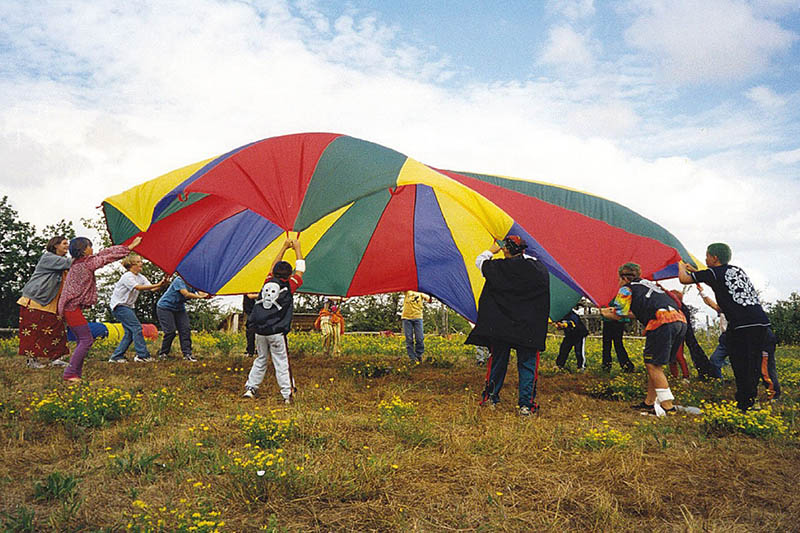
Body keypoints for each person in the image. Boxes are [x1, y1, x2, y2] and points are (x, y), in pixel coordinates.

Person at [679, 243, 770, 411]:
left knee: (740, 362)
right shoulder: (736, 270)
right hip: (760, 322)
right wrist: (696, 271)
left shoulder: (713, 272)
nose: (705, 259)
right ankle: (752, 399)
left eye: (707, 256)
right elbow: (716, 281)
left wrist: (681, 265)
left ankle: (745, 403)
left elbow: (683, 279)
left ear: (715, 258)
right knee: (753, 363)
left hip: (742, 324)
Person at [466, 235, 550, 416]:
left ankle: (490, 399)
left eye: (504, 247)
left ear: (506, 250)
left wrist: (491, 250)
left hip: (502, 327)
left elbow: (479, 261)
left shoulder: (497, 268)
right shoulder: (537, 269)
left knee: (497, 362)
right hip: (528, 328)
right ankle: (526, 405)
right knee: (527, 365)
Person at [601, 263, 686, 416]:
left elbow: (619, 314)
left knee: (652, 365)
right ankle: (649, 403)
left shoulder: (626, 288)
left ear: (623, 277)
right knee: (655, 366)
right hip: (679, 320)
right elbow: (638, 312)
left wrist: (604, 313)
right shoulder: (649, 285)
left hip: (661, 322)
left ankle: (668, 407)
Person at [58, 236, 142, 381]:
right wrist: (129, 248)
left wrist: (126, 246)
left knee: (82, 340)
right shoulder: (85, 264)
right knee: (86, 340)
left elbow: (104, 253)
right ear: (84, 250)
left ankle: (75, 373)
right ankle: (70, 374)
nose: (93, 249)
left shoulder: (81, 262)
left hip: (70, 307)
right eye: (90, 246)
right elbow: (106, 259)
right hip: (71, 308)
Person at [243, 238, 305, 403]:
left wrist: (284, 247)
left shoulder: (268, 282)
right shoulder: (290, 285)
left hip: (260, 331)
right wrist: (297, 248)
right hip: (276, 332)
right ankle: (287, 394)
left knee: (261, 358)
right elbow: (301, 270)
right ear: (289, 275)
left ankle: (250, 388)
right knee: (281, 361)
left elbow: (272, 265)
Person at [17, 236, 73, 369]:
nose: (67, 246)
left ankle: (56, 358)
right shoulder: (48, 258)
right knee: (33, 330)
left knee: (56, 330)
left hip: (51, 301)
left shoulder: (62, 260)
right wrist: (84, 255)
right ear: (55, 246)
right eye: (64, 244)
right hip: (36, 299)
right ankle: (32, 360)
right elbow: (72, 263)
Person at [108, 254, 164, 363]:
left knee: (129, 333)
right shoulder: (127, 276)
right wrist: (157, 284)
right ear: (132, 265)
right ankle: (142, 356)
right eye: (138, 262)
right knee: (137, 328)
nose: (141, 263)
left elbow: (152, 289)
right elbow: (138, 287)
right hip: (120, 306)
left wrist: (163, 283)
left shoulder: (140, 277)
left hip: (128, 307)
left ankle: (116, 357)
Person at [155, 275, 208, 362]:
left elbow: (201, 292)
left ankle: (187, 354)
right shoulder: (179, 280)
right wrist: (200, 297)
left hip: (179, 309)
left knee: (185, 329)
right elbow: (186, 294)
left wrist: (207, 295)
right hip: (165, 307)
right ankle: (163, 353)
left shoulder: (194, 281)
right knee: (170, 331)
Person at [601, 301, 635, 373]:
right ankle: (625, 365)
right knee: (611, 343)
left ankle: (608, 365)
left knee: (614, 343)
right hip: (611, 319)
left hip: (616, 319)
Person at [401, 290, 431, 363]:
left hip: (418, 317)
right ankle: (412, 358)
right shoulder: (407, 291)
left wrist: (431, 294)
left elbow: (429, 300)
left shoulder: (421, 293)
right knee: (409, 339)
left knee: (420, 338)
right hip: (406, 318)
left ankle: (419, 355)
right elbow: (401, 287)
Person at [554, 307, 588, 372]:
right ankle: (559, 365)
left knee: (578, 351)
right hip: (569, 335)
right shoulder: (560, 316)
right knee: (563, 349)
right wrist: (558, 326)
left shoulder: (573, 315)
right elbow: (559, 325)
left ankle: (581, 367)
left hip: (579, 335)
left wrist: (564, 325)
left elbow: (573, 323)